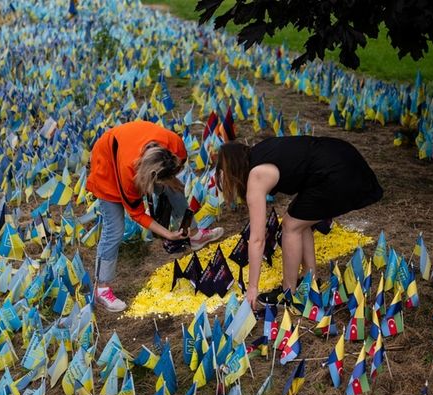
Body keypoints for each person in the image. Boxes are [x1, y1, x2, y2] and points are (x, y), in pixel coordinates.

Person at [214, 136, 383, 307]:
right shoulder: (259, 153)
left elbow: (257, 239)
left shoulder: (257, 175)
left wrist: (252, 288)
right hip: (342, 155)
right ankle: (311, 281)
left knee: (290, 227)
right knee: (299, 221)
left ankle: (289, 292)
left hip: (336, 172)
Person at [86, 120, 224, 312]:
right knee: (114, 228)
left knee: (175, 188)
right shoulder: (128, 173)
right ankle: (101, 288)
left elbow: (175, 170)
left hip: (137, 151)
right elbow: (138, 214)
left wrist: (170, 182)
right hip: (108, 163)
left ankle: (194, 234)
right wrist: (168, 234)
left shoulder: (174, 144)